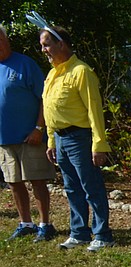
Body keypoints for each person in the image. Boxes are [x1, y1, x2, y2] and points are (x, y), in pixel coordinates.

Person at [38, 23, 115, 252]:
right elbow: (50, 108)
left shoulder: (81, 72)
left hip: (80, 138)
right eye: (42, 45)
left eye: (47, 44)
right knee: (72, 188)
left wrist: (99, 144)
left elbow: (94, 110)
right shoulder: (53, 73)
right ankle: (79, 232)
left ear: (61, 44)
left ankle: (102, 234)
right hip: (61, 140)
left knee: (91, 186)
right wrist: (51, 140)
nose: (43, 50)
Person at [0, 24, 57, 242]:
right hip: (4, 139)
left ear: (7, 40)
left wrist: (39, 128)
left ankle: (45, 224)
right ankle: (26, 223)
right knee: (13, 182)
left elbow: (45, 98)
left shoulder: (25, 64)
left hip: (29, 137)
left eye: (0, 40)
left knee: (37, 180)